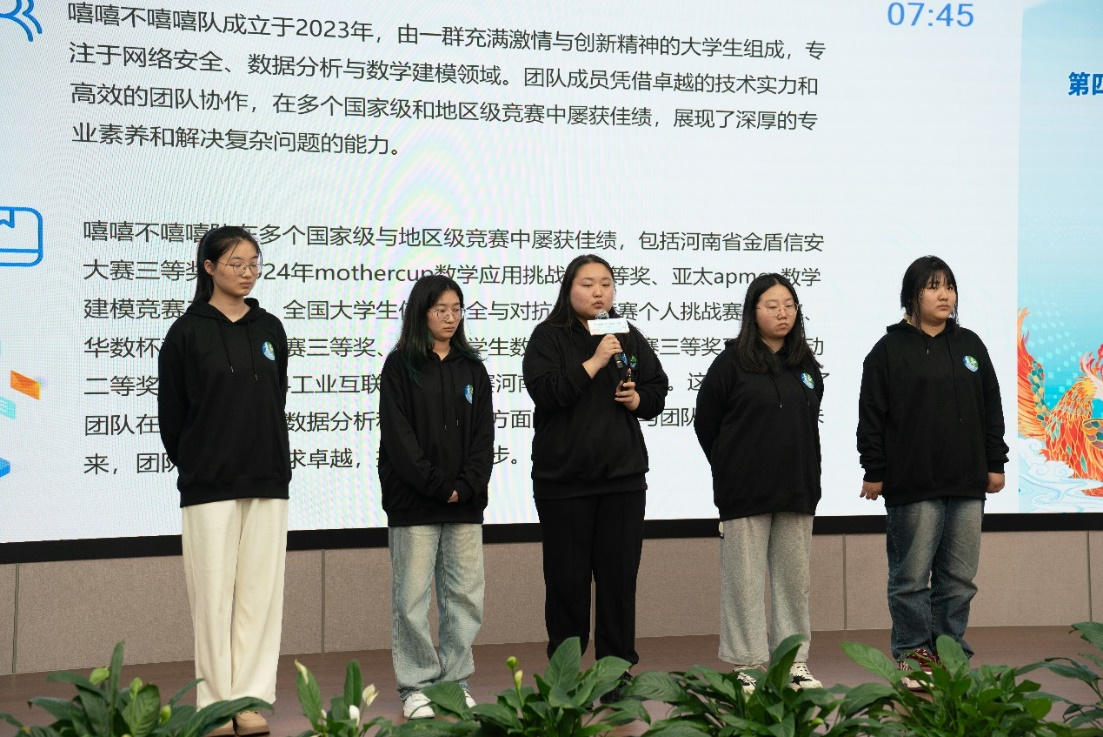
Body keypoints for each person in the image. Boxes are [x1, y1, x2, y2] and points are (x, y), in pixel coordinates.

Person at [158, 226, 290, 737]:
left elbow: (275, 399)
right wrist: (198, 462)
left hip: (267, 477)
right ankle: (214, 706)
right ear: (209, 267)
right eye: (236, 263)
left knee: (260, 598)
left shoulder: (270, 328)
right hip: (208, 482)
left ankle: (250, 702)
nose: (247, 271)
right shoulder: (186, 332)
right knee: (212, 600)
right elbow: (173, 417)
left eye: (254, 262)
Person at [522, 255, 669, 699]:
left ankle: (615, 672)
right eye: (588, 284)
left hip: (622, 478)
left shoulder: (626, 333)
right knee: (566, 584)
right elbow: (547, 392)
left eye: (606, 283)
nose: (599, 292)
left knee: (618, 582)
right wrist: (595, 360)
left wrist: (637, 399)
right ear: (569, 288)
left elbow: (657, 389)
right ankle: (565, 675)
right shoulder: (548, 336)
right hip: (564, 482)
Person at [857, 255, 1007, 689]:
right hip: (913, 482)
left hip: (967, 481)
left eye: (950, 286)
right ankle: (912, 655)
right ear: (912, 295)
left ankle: (950, 652)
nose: (945, 295)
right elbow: (871, 416)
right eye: (933, 286)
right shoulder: (888, 350)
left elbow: (991, 406)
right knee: (910, 579)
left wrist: (995, 461)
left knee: (958, 579)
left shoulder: (971, 345)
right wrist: (874, 468)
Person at [693, 273, 824, 693]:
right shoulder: (730, 363)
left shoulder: (805, 365)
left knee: (793, 585)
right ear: (753, 312)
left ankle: (793, 663)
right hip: (744, 492)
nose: (783, 313)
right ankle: (747, 664)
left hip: (797, 488)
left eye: (789, 305)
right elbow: (706, 423)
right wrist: (732, 466)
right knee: (744, 585)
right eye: (772, 305)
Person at [378, 275, 494, 720]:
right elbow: (399, 438)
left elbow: (484, 435)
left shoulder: (472, 368)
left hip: (465, 501)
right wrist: (437, 485)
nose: (450, 318)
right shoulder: (400, 366)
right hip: (414, 501)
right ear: (421, 313)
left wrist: (466, 485)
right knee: (411, 600)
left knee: (465, 596)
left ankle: (455, 681)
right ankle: (415, 686)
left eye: (456, 309)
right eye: (440, 310)